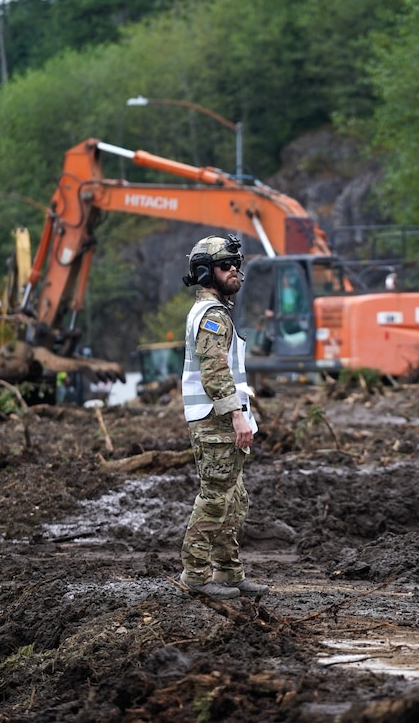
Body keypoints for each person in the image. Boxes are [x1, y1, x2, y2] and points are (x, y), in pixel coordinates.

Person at [179, 235, 270, 601]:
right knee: (216, 499)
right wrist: (236, 416)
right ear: (206, 273)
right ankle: (195, 576)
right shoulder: (212, 316)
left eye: (236, 264)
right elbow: (214, 372)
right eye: (225, 265)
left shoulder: (218, 312)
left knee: (234, 500)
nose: (235, 270)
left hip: (221, 420)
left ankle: (230, 573)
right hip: (215, 421)